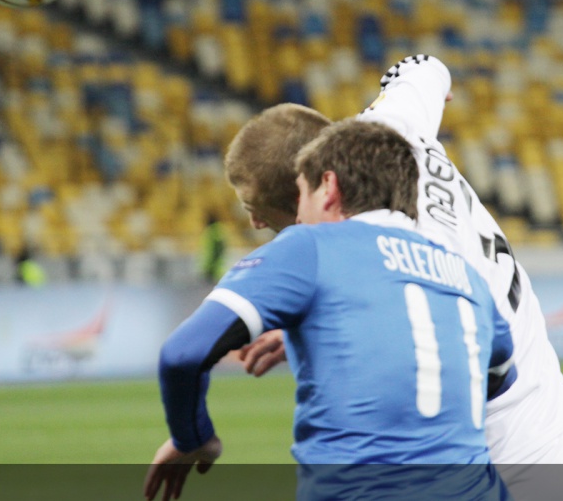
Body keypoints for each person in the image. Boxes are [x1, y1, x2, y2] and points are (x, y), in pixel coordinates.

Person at [224, 55, 563, 500]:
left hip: (515, 464)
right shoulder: (391, 130)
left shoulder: (400, 255)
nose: (257, 225)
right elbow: (425, 67)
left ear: (313, 195)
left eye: (266, 216)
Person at [145, 120, 516, 501]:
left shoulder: (309, 245)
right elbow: (497, 375)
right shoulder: (466, 276)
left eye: (301, 193)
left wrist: (194, 437)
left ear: (328, 186)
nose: (298, 216)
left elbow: (183, 354)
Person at [197, 212, 227, 284]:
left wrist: (210, 265)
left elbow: (216, 250)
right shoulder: (218, 230)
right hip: (215, 266)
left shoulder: (213, 231)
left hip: (213, 267)